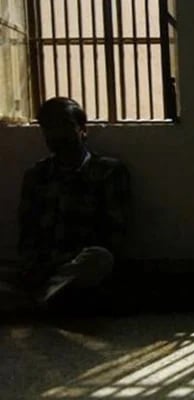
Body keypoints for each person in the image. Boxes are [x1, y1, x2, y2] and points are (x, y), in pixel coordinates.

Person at [15, 97, 130, 309]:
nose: (57, 134)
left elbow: (114, 234)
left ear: (82, 129)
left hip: (81, 263)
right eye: (50, 128)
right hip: (45, 266)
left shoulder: (108, 171)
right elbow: (28, 233)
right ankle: (50, 294)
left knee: (99, 259)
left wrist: (64, 262)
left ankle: (45, 295)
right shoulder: (37, 175)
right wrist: (36, 265)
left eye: (65, 125)